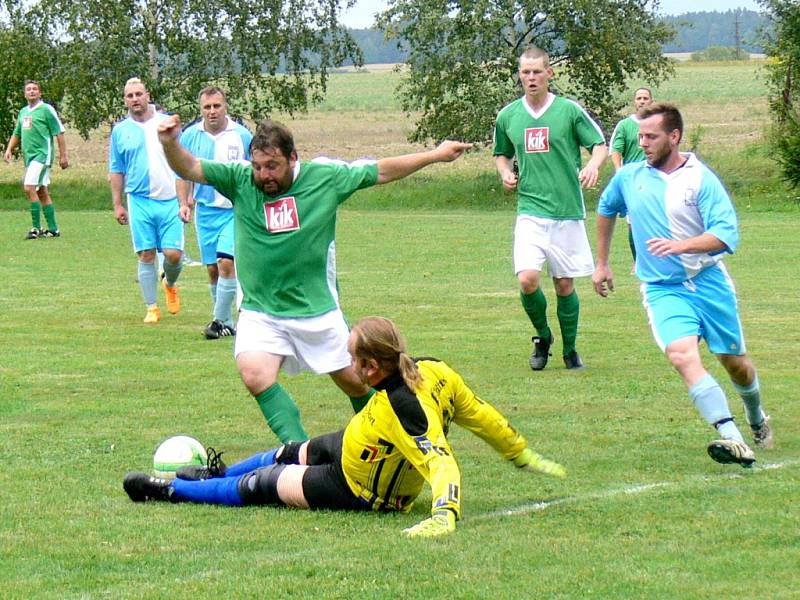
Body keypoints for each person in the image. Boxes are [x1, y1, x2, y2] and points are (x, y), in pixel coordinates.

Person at [157, 115, 472, 443]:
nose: (264, 175)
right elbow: (190, 167)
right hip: (261, 310)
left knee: (356, 381)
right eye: (259, 166)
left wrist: (435, 154)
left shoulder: (326, 177)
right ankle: (299, 453)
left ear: (293, 158)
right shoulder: (240, 179)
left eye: (273, 166)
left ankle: (388, 443)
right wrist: (169, 143)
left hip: (316, 309)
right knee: (254, 374)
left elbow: (381, 170)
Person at [123, 316, 567, 538]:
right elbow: (482, 415)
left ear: (372, 366)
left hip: (361, 487)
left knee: (262, 485)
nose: (349, 366)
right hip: (358, 442)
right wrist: (519, 451)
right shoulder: (435, 369)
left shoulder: (405, 411)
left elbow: (441, 464)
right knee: (286, 450)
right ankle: (215, 474)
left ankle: (169, 491)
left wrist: (444, 515)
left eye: (354, 360)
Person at [593, 102, 773, 467]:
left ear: (674, 137)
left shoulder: (700, 179)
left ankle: (756, 418)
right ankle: (732, 437)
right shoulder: (629, 177)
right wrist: (602, 263)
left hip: (709, 282)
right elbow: (607, 208)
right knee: (681, 355)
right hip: (662, 288)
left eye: (651, 136)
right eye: (640, 136)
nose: (642, 143)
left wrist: (680, 246)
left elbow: (725, 235)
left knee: (735, 363)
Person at [493, 46, 607, 372]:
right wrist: (505, 172)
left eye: (537, 71)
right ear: (520, 75)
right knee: (528, 279)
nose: (531, 77)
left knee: (564, 285)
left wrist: (593, 166)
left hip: (567, 211)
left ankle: (571, 350)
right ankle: (543, 337)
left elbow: (599, 145)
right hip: (530, 209)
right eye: (525, 72)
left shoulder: (569, 111)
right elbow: (501, 153)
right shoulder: (508, 116)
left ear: (549, 74)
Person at [109, 78, 189, 324]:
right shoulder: (120, 131)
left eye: (138, 94)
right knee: (145, 254)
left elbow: (183, 164)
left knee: (173, 254)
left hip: (169, 201)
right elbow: (116, 168)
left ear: (147, 95)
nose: (134, 99)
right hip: (139, 199)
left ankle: (170, 282)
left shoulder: (165, 124)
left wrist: (184, 201)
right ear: (125, 100)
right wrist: (118, 203)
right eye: (129, 95)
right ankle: (151, 307)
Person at [178, 86, 253, 339]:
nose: (212, 112)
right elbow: (182, 173)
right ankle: (227, 322)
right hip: (206, 213)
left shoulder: (241, 136)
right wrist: (184, 203)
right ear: (201, 110)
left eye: (216, 106)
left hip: (235, 211)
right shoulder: (190, 136)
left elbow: (254, 173)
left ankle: (219, 321)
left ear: (226, 107)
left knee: (226, 262)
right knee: (212, 269)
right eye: (207, 107)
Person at [3, 80, 69, 239]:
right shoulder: (23, 112)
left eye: (35, 89)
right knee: (41, 191)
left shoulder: (46, 109)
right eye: (28, 89)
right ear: (25, 94)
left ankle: (36, 228)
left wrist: (63, 155)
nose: (32, 91)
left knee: (29, 187)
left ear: (40, 93)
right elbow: (17, 133)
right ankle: (53, 229)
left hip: (42, 155)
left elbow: (59, 132)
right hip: (30, 158)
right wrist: (9, 148)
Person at [609, 88, 654, 265]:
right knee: (633, 222)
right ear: (634, 102)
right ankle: (639, 262)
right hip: (634, 181)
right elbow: (616, 150)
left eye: (645, 98)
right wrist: (619, 171)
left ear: (651, 101)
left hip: (655, 178)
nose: (642, 101)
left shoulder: (658, 124)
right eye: (639, 98)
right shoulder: (625, 125)